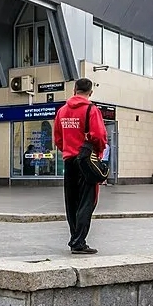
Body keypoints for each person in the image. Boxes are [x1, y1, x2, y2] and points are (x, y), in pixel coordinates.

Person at [53, 77, 107, 255]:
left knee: (72, 202)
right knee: (87, 201)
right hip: (86, 161)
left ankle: (74, 237)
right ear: (90, 92)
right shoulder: (91, 110)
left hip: (69, 161)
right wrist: (97, 153)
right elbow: (99, 136)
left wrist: (67, 149)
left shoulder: (61, 111)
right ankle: (78, 242)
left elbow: (58, 138)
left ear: (74, 90)